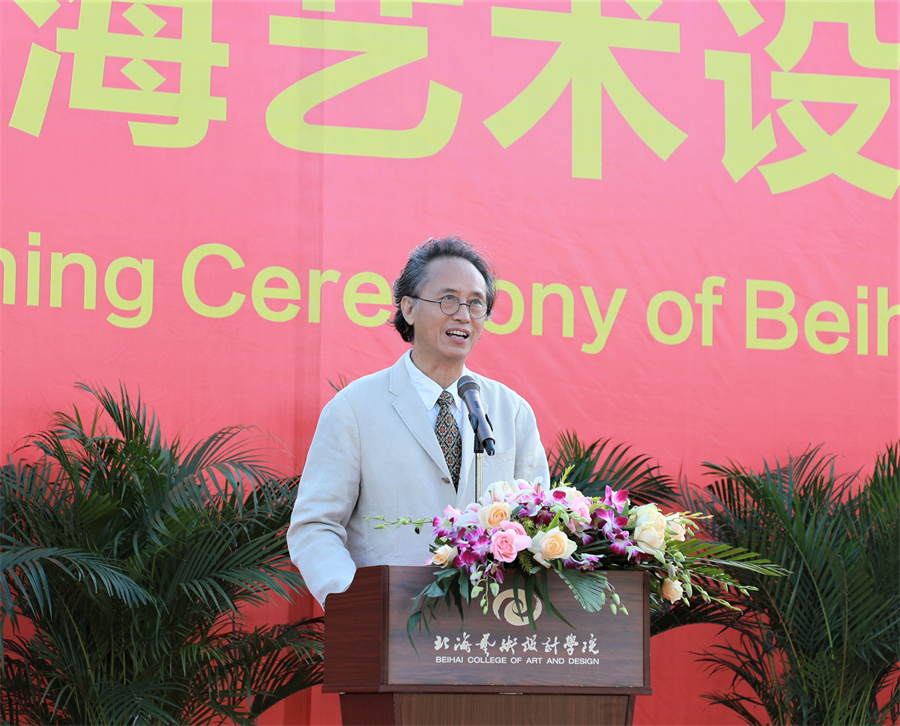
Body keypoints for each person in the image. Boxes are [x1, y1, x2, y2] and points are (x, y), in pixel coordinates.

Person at [286, 236, 550, 607]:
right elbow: (316, 526)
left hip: (489, 624)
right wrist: (354, 604)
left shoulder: (512, 410)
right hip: (390, 620)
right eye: (448, 299)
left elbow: (538, 524)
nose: (463, 315)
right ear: (409, 309)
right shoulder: (354, 409)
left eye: (476, 303)